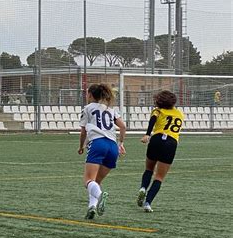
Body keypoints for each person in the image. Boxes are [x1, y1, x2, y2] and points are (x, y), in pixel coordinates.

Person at [78, 83, 126, 220]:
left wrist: (81, 146)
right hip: (112, 147)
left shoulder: (88, 108)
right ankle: (91, 207)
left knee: (88, 180)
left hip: (98, 143)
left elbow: (83, 131)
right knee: (96, 181)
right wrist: (121, 143)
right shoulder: (110, 109)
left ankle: (100, 196)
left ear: (91, 95)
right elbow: (123, 126)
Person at [137, 90, 184, 213]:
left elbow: (153, 119)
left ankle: (142, 188)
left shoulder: (158, 110)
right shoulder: (179, 114)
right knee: (159, 177)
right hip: (171, 143)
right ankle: (148, 203)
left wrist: (147, 134)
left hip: (157, 139)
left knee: (149, 169)